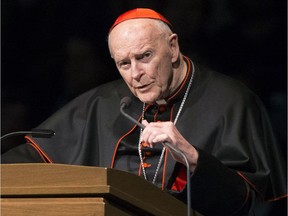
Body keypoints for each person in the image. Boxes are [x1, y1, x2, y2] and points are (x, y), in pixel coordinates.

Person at [2, 8, 286, 216]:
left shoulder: (232, 101)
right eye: (124, 63)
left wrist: (194, 159)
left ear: (173, 47)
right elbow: (32, 158)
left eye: (145, 56)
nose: (135, 74)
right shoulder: (103, 101)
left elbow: (251, 202)